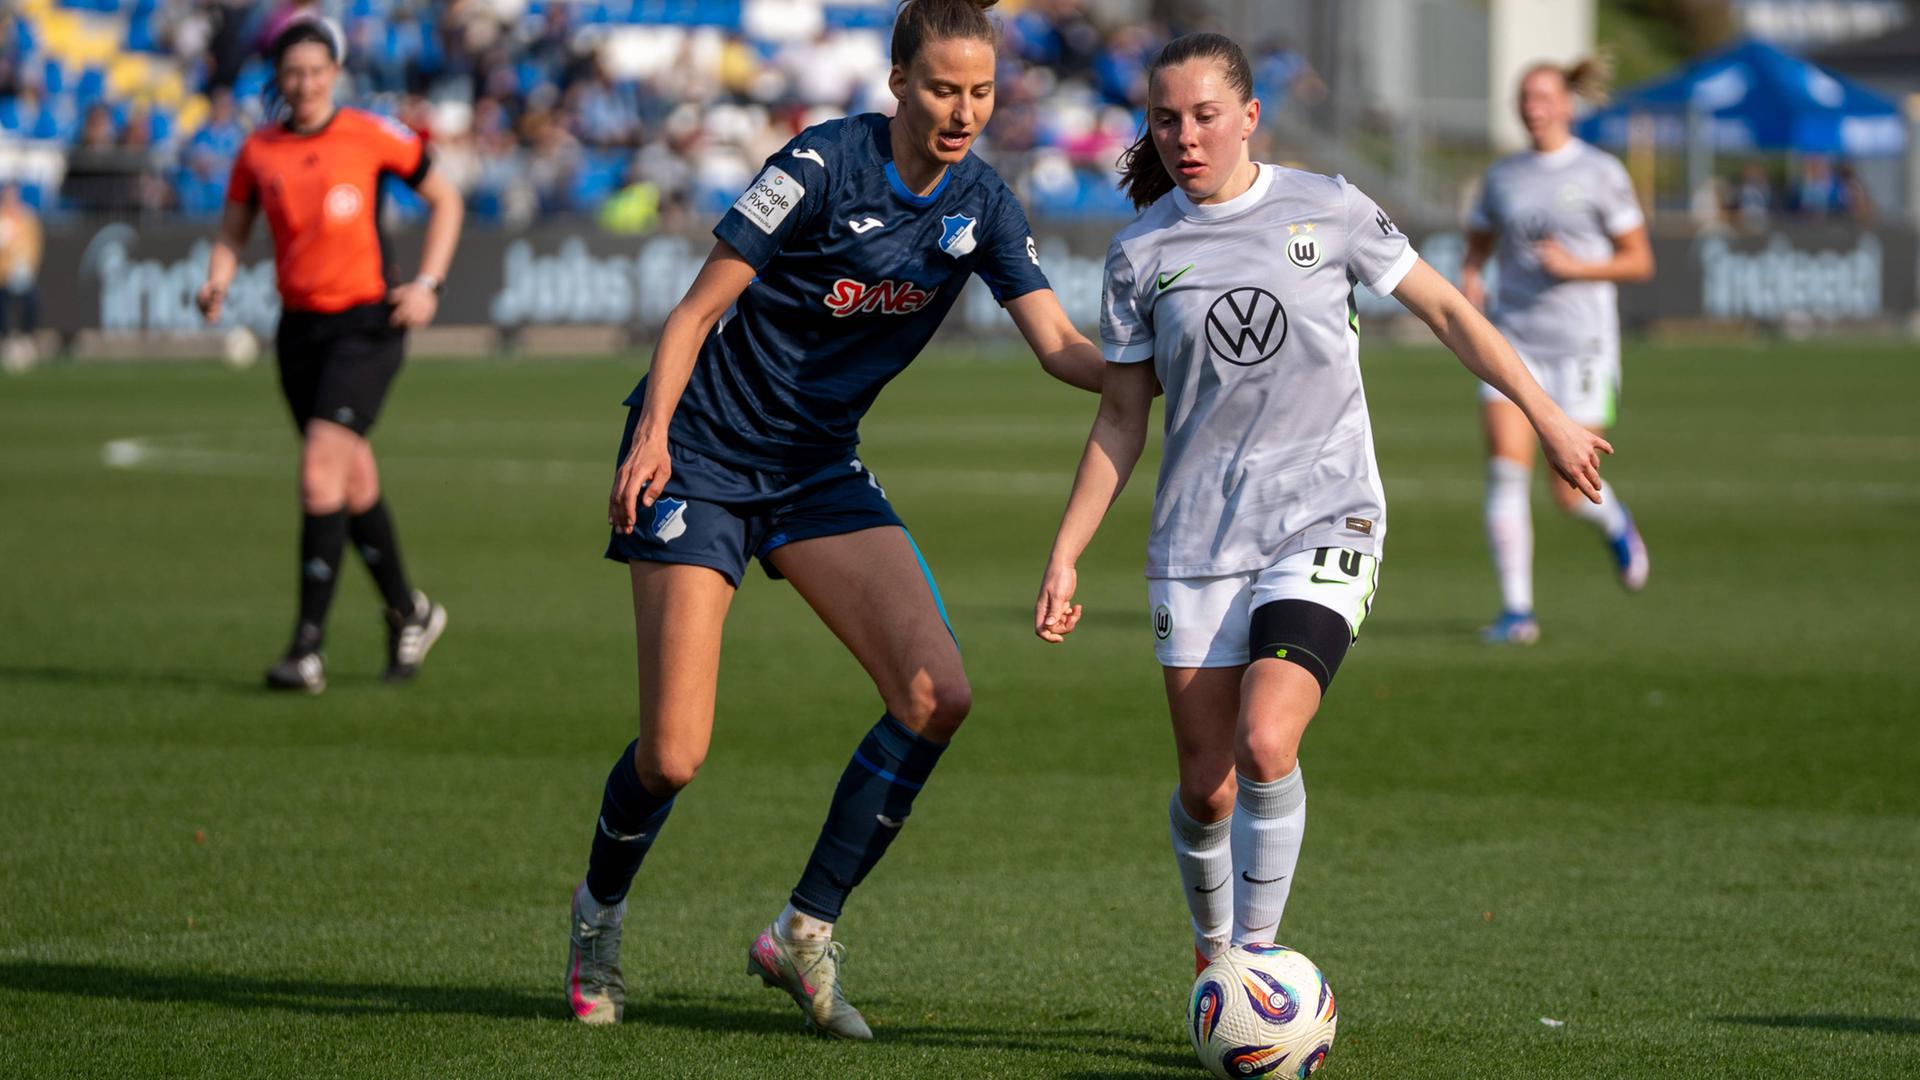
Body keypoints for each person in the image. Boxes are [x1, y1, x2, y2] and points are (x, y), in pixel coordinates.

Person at [567, 0, 1109, 1039]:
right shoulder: (816, 168)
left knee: (937, 695)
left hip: (815, 471)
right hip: (704, 460)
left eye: (982, 92)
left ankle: (803, 932)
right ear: (899, 82)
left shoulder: (984, 203)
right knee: (673, 754)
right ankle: (598, 916)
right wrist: (651, 440)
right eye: (944, 88)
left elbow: (1057, 344)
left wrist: (1169, 367)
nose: (963, 111)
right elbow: (693, 313)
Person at [1031, 33, 1611, 974]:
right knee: (1207, 787)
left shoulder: (1329, 207)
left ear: (1250, 117)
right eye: (1167, 119)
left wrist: (1544, 413)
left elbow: (1452, 312)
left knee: (1267, 742)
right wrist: (1067, 552)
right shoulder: (1141, 253)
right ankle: (1212, 946)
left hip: (1325, 512)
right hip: (1197, 537)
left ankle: (1253, 964)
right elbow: (1122, 418)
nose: (1186, 136)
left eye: (1207, 116)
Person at [196, 14, 463, 691]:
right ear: (278, 79)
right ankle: (409, 611)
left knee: (320, 473)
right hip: (301, 332)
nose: (306, 83)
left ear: (335, 74)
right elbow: (234, 226)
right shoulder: (259, 150)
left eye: (317, 71)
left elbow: (445, 198)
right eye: (294, 73)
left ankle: (306, 648)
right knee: (351, 480)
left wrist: (429, 284)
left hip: (366, 327)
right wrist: (218, 280)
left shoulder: (371, 135)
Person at [1461, 59, 1654, 645]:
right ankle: (1517, 611)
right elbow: (1477, 243)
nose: (1533, 106)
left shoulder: (1601, 172)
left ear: (1568, 104)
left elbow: (1639, 260)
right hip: (1514, 345)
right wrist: (1471, 275)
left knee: (1569, 491)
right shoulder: (1503, 177)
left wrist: (1578, 266)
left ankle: (1614, 519)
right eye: (1524, 96)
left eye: (1543, 95)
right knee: (1503, 470)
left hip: (1584, 349)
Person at [0, 183, 41, 356]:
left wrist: (26, 268)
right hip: (3, 275)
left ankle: (27, 338)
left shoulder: (28, 218)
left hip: (23, 274)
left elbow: (34, 247)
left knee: (33, 299)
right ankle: (6, 339)